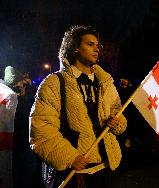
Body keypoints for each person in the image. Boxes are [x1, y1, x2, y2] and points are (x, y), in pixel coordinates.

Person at [29, 25, 127, 187]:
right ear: (74, 48)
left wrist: (117, 123)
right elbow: (41, 130)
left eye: (97, 45)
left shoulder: (105, 82)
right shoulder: (54, 83)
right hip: (75, 173)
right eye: (90, 44)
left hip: (105, 168)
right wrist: (70, 157)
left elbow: (118, 113)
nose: (96, 49)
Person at [12, 71, 44, 188]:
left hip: (28, 145)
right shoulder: (16, 101)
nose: (18, 89)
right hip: (21, 146)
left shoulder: (29, 99)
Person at [0, 66, 23, 188]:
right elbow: (10, 123)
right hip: (5, 144)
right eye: (20, 81)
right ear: (14, 82)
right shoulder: (11, 96)